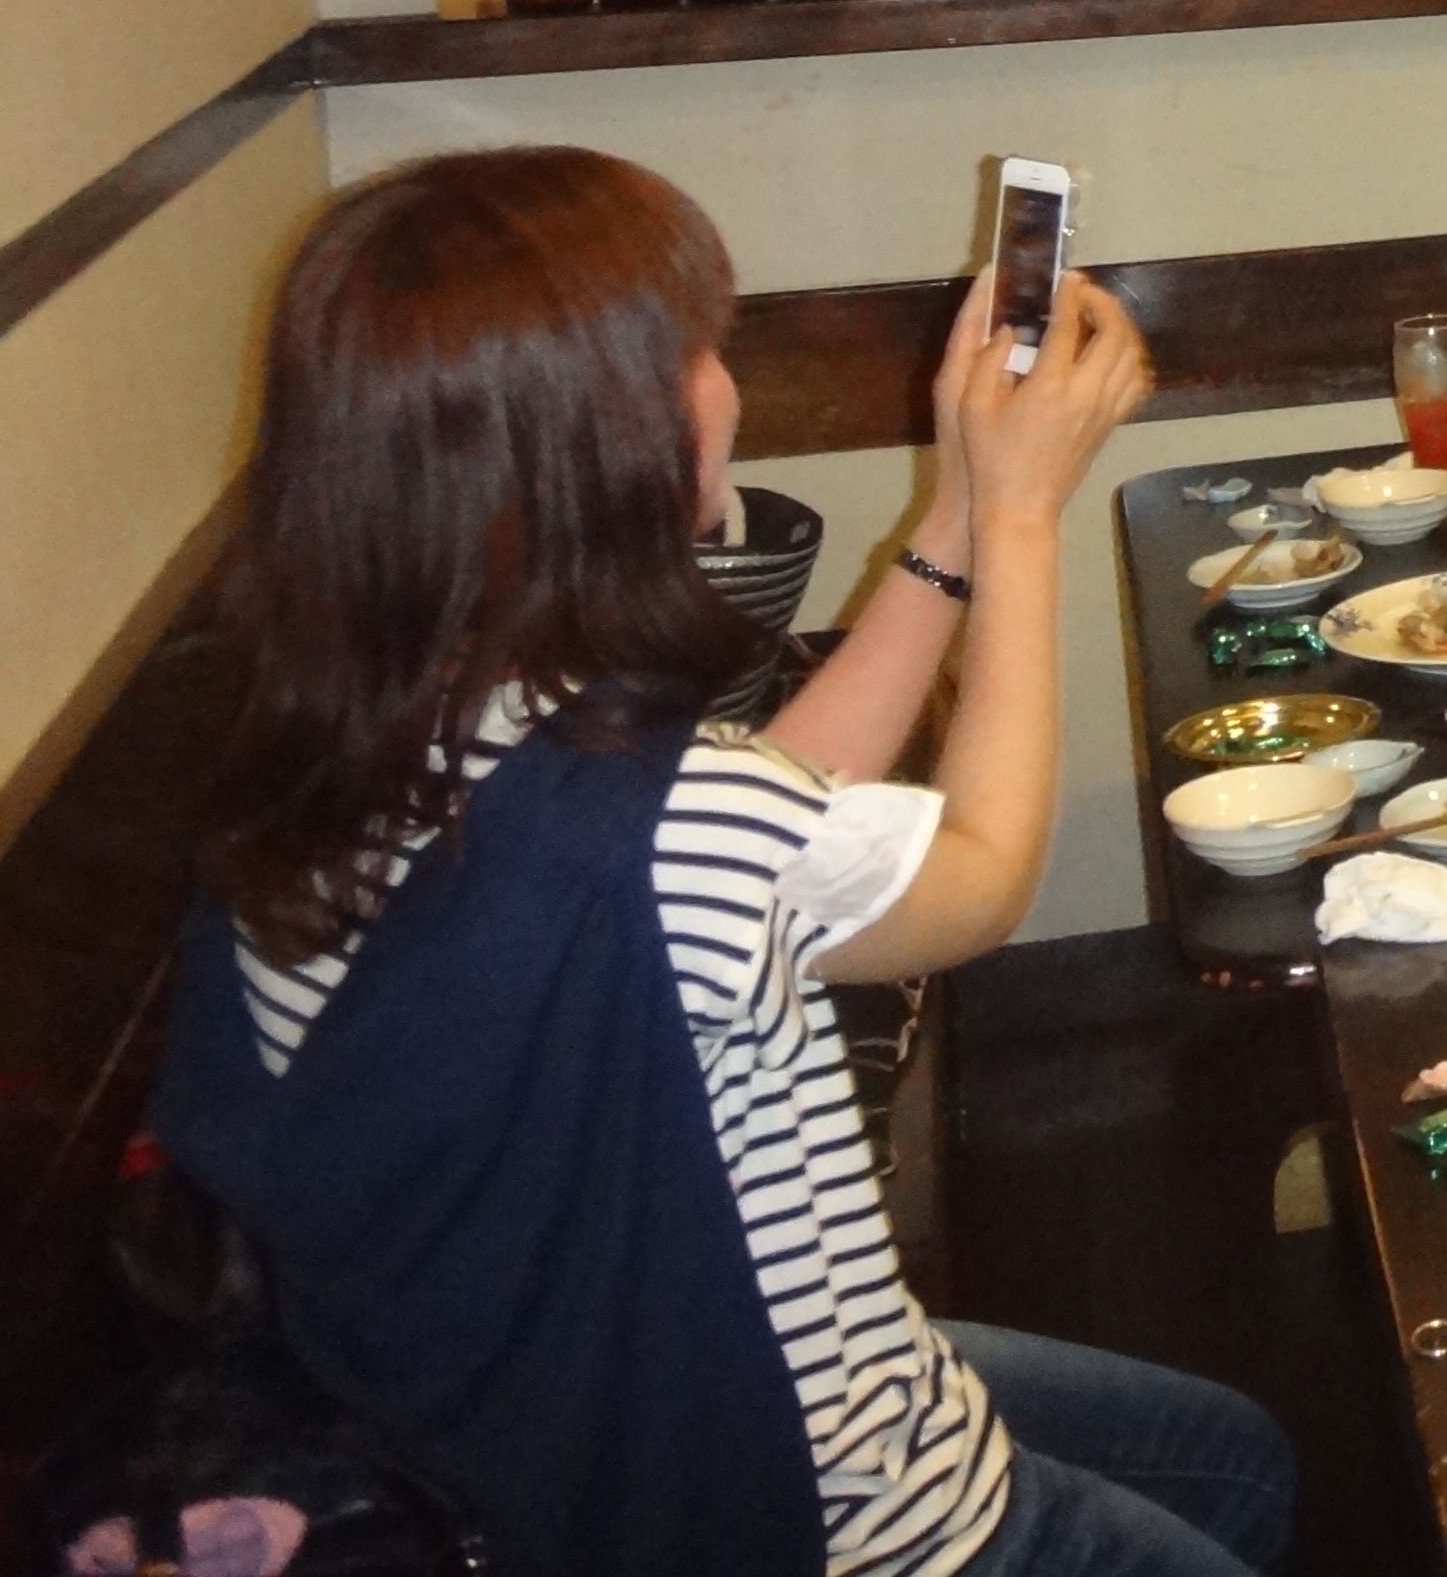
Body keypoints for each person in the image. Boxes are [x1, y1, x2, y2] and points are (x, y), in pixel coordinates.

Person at [148, 148, 1296, 1577]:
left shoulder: (358, 752)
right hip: (809, 1502)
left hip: (560, 1402)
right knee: (1231, 1482)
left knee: (1231, 1455)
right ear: (608, 436)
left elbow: (760, 826)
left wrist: (952, 515)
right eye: (697, 349)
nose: (723, 385)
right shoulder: (674, 828)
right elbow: (981, 875)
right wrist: (1020, 519)